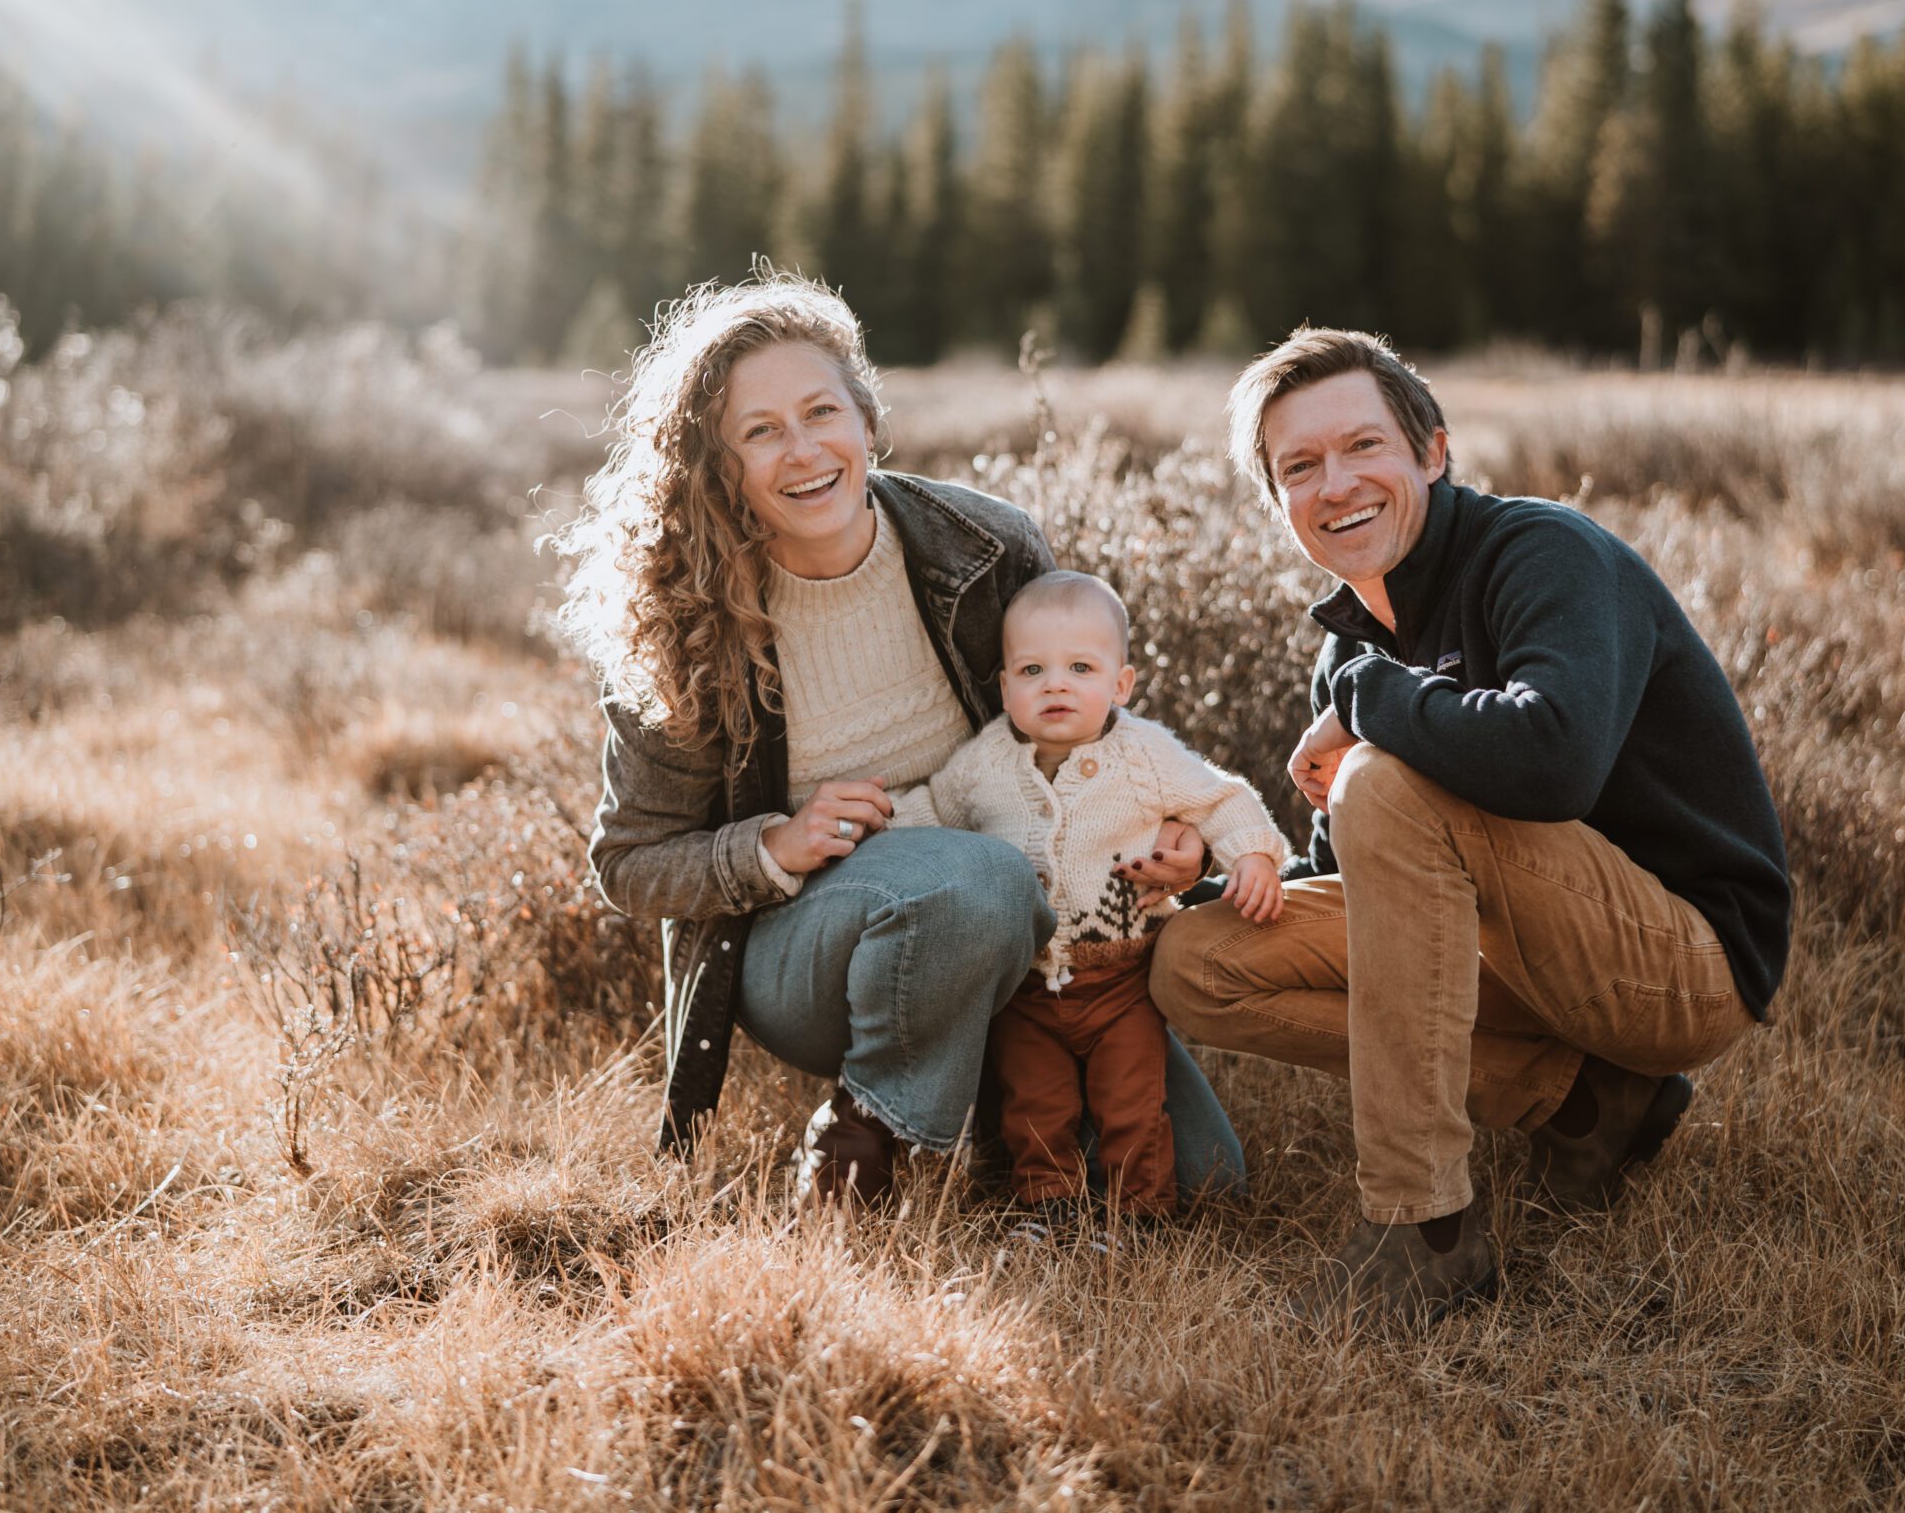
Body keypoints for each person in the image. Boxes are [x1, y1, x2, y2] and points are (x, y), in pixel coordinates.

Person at [1150, 328, 1793, 1325]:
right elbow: (1367, 884)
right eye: (1300, 467)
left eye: (1364, 446)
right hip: (1521, 964)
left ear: (1431, 452)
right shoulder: (1354, 650)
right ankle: (1586, 1105)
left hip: (1681, 963)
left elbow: (1553, 758)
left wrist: (1369, 699)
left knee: (1382, 784)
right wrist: (1200, 876)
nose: (1337, 484)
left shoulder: (1543, 555)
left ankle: (1424, 1233)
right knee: (1192, 959)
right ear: (1275, 503)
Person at [559, 271, 1243, 1205]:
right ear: (717, 465)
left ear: (866, 417)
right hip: (807, 954)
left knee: (1207, 1182)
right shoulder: (680, 621)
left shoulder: (987, 549)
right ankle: (865, 1138)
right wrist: (773, 845)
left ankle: (994, 1128)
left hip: (1037, 942)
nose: (803, 451)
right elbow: (631, 863)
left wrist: (1177, 834)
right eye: (760, 432)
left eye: (820, 411)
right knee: (976, 877)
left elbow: (1090, 723)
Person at [904, 571, 1289, 1219]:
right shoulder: (987, 761)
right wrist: (872, 829)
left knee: (1131, 1099)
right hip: (1026, 986)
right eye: (1031, 669)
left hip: (1121, 982)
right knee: (1034, 1101)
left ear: (1121, 684)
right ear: (1004, 686)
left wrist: (1251, 851)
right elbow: (931, 810)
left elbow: (1218, 795)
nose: (1055, 683)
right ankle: (1047, 1201)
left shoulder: (1143, 754)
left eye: (1080, 667)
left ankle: (1138, 1212)